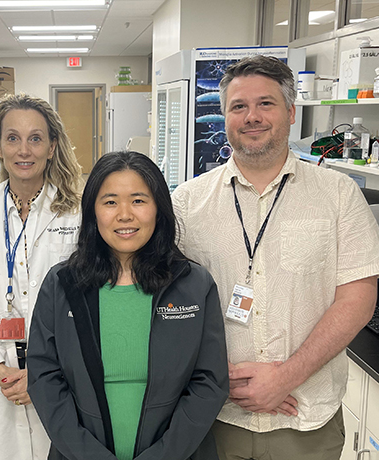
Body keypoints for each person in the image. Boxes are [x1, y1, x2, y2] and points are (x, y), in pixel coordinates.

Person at [172, 55, 379, 460]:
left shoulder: (339, 195)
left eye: (266, 104)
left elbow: (358, 299)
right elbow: (165, 301)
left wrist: (285, 377)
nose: (251, 116)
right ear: (225, 116)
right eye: (238, 106)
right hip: (214, 416)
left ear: (291, 112)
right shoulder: (187, 203)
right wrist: (218, 377)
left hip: (306, 418)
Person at [28, 151, 229, 460]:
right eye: (110, 202)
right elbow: (44, 377)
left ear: (159, 209)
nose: (124, 215)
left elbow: (209, 383)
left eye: (138, 200)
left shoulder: (193, 285)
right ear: (92, 211)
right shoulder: (63, 284)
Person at [0, 94, 83, 460]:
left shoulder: (77, 214)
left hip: (59, 377)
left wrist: (43, 374)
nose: (24, 150)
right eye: (12, 138)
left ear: (52, 146)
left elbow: (86, 305)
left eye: (35, 138)